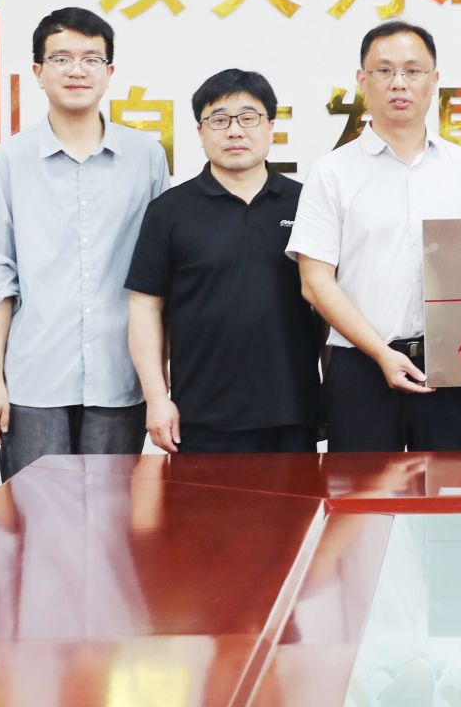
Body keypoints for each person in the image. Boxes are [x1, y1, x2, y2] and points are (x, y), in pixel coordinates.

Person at [0, 7, 167, 479]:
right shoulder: (8, 160)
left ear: (110, 72)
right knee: (35, 515)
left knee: (111, 515)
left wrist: (160, 384)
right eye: (61, 59)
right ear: (38, 72)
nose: (76, 70)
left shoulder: (146, 156)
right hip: (34, 374)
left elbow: (162, 273)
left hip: (121, 373)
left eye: (91, 59)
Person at [289, 21, 461, 452]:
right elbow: (315, 282)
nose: (399, 82)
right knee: (364, 495)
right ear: (362, 80)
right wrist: (381, 353)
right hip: (361, 367)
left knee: (450, 490)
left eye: (413, 70)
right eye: (384, 70)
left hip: (451, 367)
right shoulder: (332, 172)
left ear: (434, 80)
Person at [127, 68, 324, 454]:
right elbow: (144, 305)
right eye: (219, 120)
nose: (235, 131)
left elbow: (330, 302)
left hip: (292, 410)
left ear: (271, 126)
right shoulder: (169, 211)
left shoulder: (307, 204)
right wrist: (157, 398)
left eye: (248, 118)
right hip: (200, 415)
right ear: (200, 132)